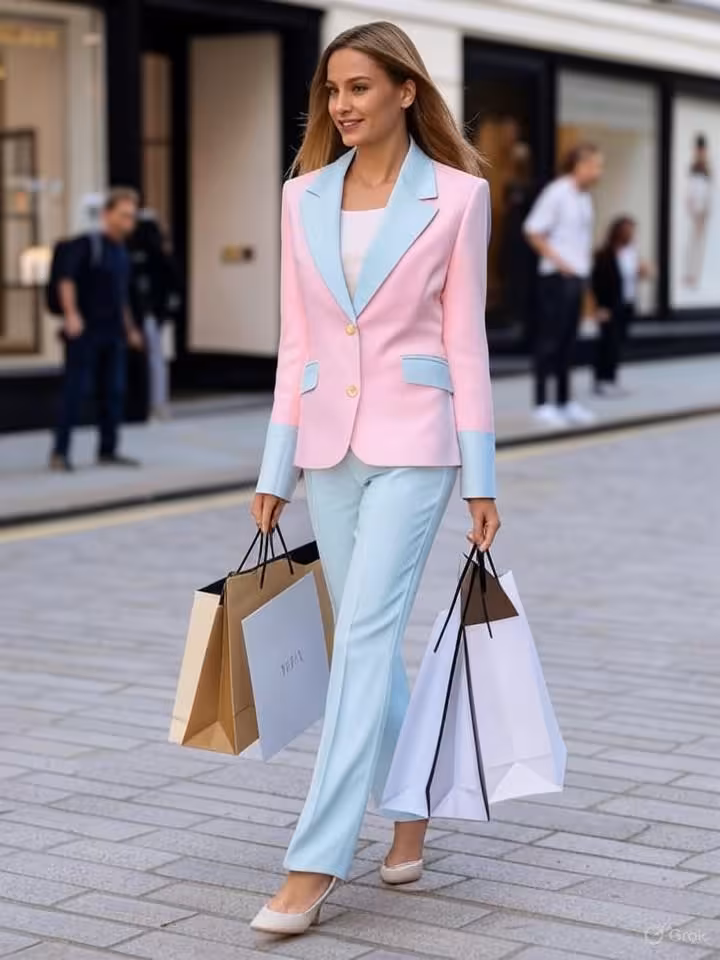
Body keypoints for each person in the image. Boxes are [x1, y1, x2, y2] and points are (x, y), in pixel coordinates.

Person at [249, 20, 500, 936]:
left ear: (404, 90)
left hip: (418, 442)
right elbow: (297, 340)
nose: (342, 105)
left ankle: (314, 859)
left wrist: (483, 476)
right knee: (367, 637)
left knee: (358, 638)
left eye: (359, 87)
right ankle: (412, 811)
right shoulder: (300, 196)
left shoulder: (460, 198)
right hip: (326, 447)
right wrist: (274, 465)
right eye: (331, 91)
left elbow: (465, 343)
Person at [50, 188, 143, 471]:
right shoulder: (87, 244)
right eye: (124, 215)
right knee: (75, 392)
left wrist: (130, 330)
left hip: (113, 333)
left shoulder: (121, 253)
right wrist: (72, 315)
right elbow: (66, 279)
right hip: (85, 333)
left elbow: (121, 296)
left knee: (113, 392)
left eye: (132, 216)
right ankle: (60, 453)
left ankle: (108, 450)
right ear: (107, 214)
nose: (130, 221)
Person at [523, 143, 604, 428]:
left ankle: (565, 401)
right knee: (550, 341)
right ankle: (542, 403)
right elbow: (533, 231)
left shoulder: (584, 198)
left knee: (569, 342)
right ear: (579, 165)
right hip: (555, 278)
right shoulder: (557, 192)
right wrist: (561, 263)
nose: (599, 171)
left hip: (577, 277)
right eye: (595, 165)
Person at [127, 211, 181, 420]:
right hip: (150, 315)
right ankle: (155, 403)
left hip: (152, 315)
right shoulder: (152, 254)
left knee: (156, 360)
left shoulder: (149, 255)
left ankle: (156, 403)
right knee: (156, 360)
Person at [591, 216, 652, 397]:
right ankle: (602, 380)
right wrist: (599, 307)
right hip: (609, 305)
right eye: (628, 231)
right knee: (607, 343)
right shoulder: (605, 254)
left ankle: (612, 379)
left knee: (617, 343)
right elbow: (597, 282)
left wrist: (643, 271)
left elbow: (637, 275)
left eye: (633, 231)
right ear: (618, 232)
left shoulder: (631, 252)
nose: (631, 235)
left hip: (627, 302)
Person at [683, 133, 712, 289]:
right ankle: (690, 275)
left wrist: (704, 212)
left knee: (699, 244)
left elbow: (707, 192)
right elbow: (692, 191)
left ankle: (695, 275)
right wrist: (695, 211)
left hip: (702, 212)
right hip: (695, 211)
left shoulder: (707, 167)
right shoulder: (693, 168)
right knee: (693, 243)